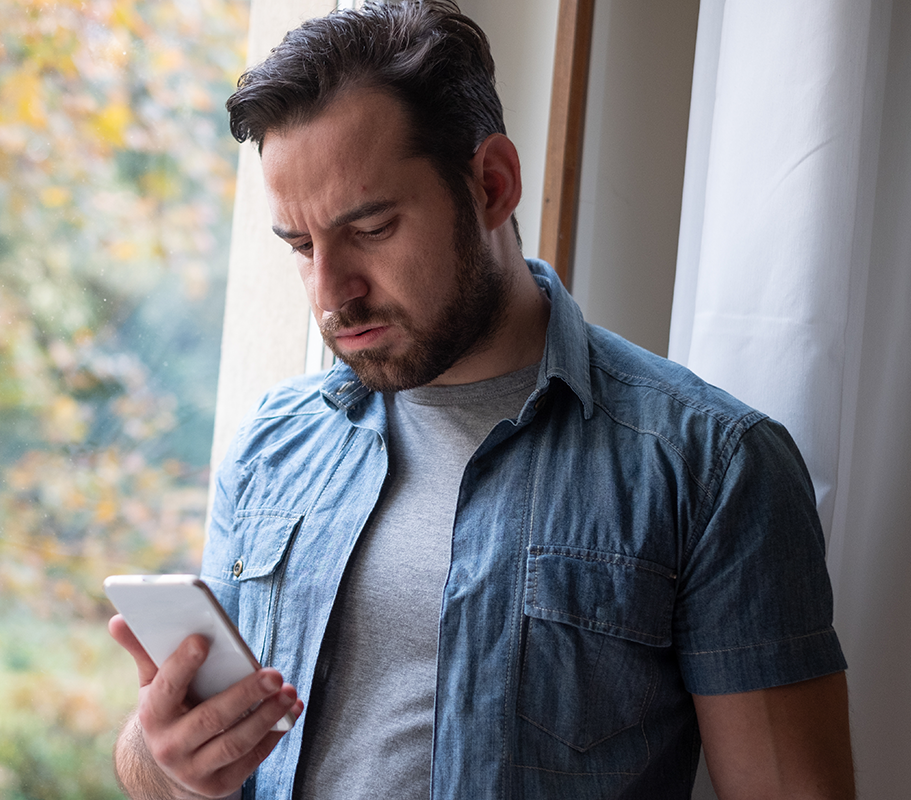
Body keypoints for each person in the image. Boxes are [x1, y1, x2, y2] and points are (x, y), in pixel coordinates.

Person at [109, 2, 855, 798]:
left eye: (370, 229)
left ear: (492, 185)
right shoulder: (275, 445)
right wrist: (165, 756)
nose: (331, 294)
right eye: (301, 246)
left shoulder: (710, 468)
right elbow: (168, 764)